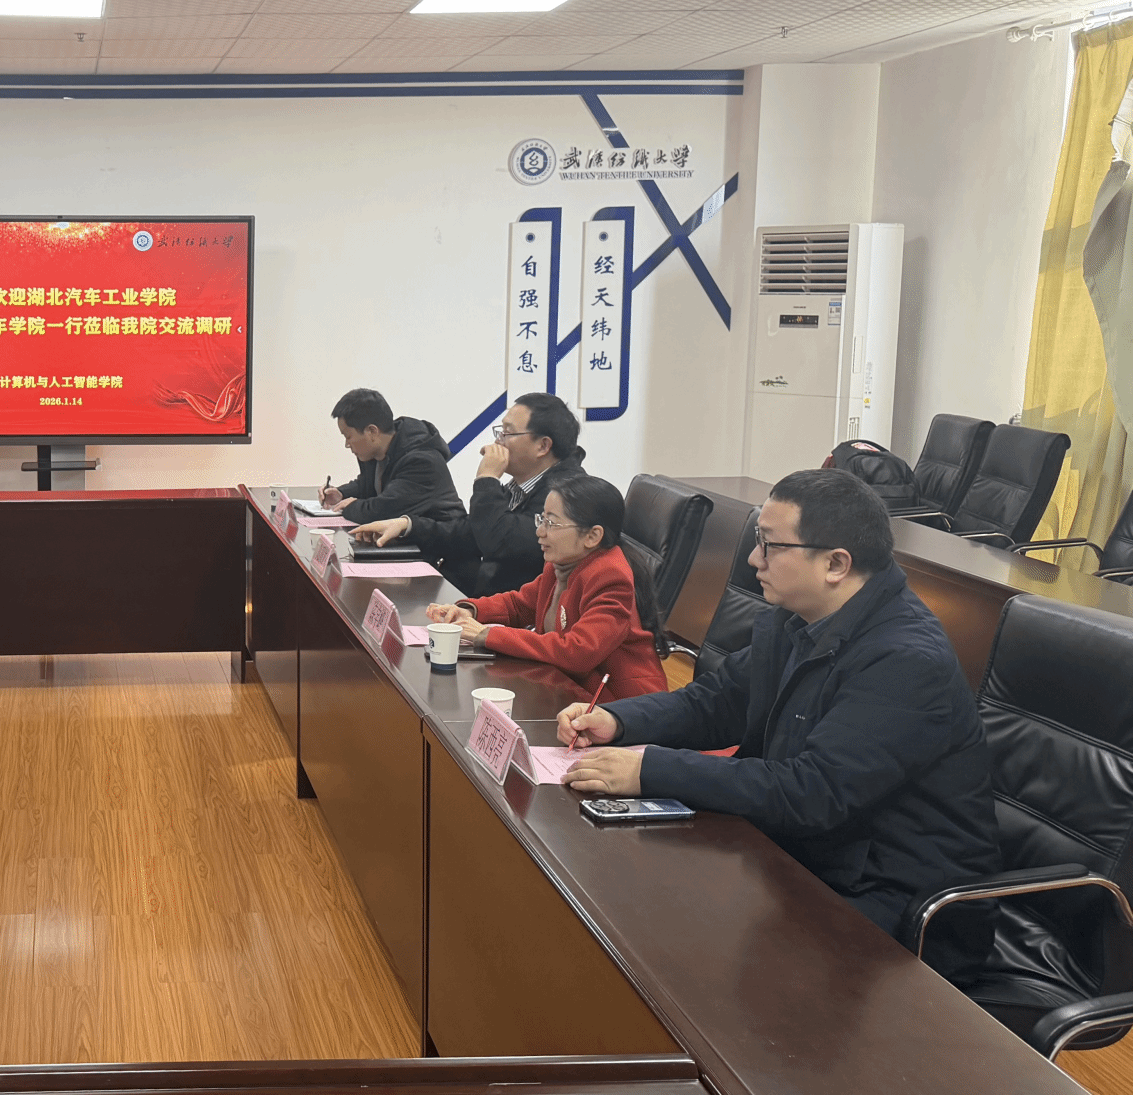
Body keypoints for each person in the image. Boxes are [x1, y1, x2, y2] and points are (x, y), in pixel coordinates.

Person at [554, 469, 999, 980]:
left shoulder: (904, 660)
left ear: (836, 564)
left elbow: (813, 792)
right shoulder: (797, 620)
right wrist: (617, 720)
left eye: (770, 545)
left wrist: (649, 769)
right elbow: (715, 704)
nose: (753, 559)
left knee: (686, 956)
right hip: (811, 854)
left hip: (892, 897)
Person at [424, 475, 665, 699]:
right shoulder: (561, 563)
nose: (539, 532)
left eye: (551, 523)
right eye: (541, 519)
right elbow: (519, 605)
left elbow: (578, 652)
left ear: (592, 536)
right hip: (567, 688)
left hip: (620, 704)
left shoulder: (610, 577)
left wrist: (486, 635)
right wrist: (470, 611)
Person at [355, 392, 585, 594]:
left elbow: (499, 542)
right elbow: (470, 532)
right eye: (500, 431)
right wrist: (407, 526)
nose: (498, 441)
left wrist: (487, 479)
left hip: (515, 617)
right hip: (483, 601)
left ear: (543, 446)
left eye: (508, 433)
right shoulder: (521, 486)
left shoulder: (566, 495)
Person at [318, 387, 464, 527]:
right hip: (405, 539)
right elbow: (368, 485)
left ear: (372, 431)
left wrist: (349, 507)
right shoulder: (377, 452)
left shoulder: (421, 462)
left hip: (440, 539)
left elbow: (382, 511)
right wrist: (342, 493)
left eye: (348, 436)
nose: (347, 444)